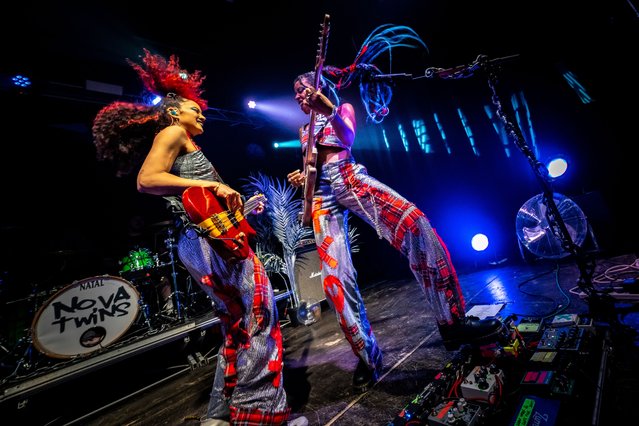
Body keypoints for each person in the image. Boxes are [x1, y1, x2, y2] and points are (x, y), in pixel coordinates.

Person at [286, 25, 505, 393]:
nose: (297, 97)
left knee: (416, 225)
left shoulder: (341, 108)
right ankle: (368, 356)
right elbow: (312, 169)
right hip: (323, 198)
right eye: (294, 93)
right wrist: (302, 183)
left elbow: (348, 137)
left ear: (319, 85)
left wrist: (329, 108)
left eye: (302, 90)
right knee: (336, 283)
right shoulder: (301, 130)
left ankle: (452, 322)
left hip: (349, 180)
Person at [92, 49, 293, 425]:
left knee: (236, 323)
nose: (200, 113)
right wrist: (207, 183)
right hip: (205, 242)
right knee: (259, 314)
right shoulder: (173, 132)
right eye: (192, 108)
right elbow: (147, 180)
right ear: (173, 112)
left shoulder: (186, 143)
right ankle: (260, 414)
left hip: (201, 239)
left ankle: (218, 414)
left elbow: (200, 204)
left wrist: (244, 209)